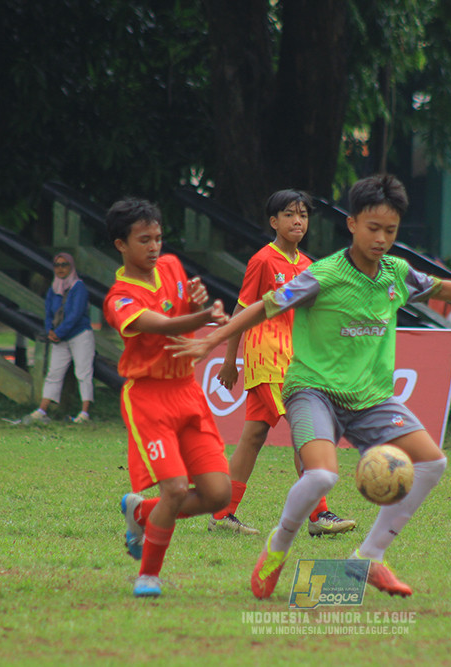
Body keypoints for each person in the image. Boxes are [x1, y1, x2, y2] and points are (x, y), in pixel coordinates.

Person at [169, 174, 451, 599]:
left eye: (391, 230)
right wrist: (214, 342)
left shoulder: (396, 273)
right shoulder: (324, 274)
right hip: (312, 391)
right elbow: (260, 307)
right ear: (351, 224)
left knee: (432, 463)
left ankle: (369, 557)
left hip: (370, 398)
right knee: (322, 475)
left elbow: (440, 287)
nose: (382, 238)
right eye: (373, 228)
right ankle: (277, 547)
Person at [101, 197, 232, 598]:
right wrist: (206, 315)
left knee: (218, 495)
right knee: (174, 489)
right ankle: (147, 575)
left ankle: (140, 511)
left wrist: (196, 301)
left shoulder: (172, 266)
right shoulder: (119, 299)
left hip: (187, 393)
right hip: (149, 399)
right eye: (144, 240)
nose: (154, 247)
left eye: (157, 237)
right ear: (121, 244)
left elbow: (182, 309)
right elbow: (165, 325)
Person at [210, 189, 355, 537]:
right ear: (274, 222)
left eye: (303, 215)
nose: (297, 221)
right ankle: (318, 515)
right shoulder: (263, 260)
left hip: (294, 358)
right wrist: (230, 360)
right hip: (267, 356)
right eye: (289, 214)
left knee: (253, 436)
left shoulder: (307, 265)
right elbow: (242, 310)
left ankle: (222, 514)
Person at [19, 252, 96, 424]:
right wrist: (50, 331)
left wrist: (59, 332)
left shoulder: (79, 287)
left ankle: (85, 413)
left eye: (64, 265)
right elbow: (48, 313)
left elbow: (75, 314)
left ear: (71, 267)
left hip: (79, 335)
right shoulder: (54, 288)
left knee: (83, 372)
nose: (61, 269)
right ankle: (42, 409)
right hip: (59, 338)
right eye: (57, 265)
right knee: (54, 372)